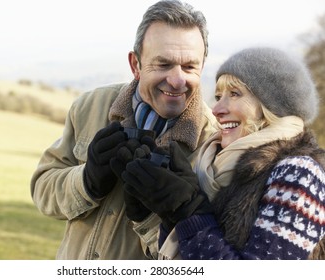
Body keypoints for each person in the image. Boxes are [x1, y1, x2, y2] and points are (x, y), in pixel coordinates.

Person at [30, 0, 217, 260]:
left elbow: (205, 257)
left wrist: (153, 218)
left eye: (189, 67)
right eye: (163, 65)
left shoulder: (216, 142)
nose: (177, 80)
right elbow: (42, 189)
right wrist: (87, 181)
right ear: (135, 65)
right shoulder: (90, 105)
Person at [122, 47, 325, 260]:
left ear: (272, 106)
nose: (217, 109)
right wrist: (161, 214)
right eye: (218, 96)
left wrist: (191, 214)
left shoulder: (300, 174)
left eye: (234, 94)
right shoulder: (215, 169)